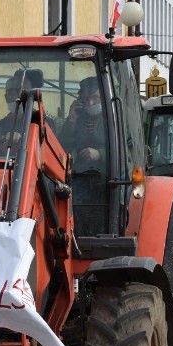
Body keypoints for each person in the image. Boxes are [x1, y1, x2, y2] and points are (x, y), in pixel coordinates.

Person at [59, 76, 108, 236]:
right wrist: (71, 119)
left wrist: (99, 153)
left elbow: (126, 148)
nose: (91, 103)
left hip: (107, 176)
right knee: (74, 206)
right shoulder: (78, 119)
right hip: (81, 175)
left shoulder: (112, 118)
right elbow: (62, 147)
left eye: (95, 98)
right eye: (86, 99)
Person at [0, 74, 56, 158]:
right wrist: (2, 142)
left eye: (19, 94)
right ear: (5, 98)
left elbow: (51, 153)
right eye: (11, 94)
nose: (15, 98)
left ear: (29, 97)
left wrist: (23, 139)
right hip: (4, 169)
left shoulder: (43, 122)